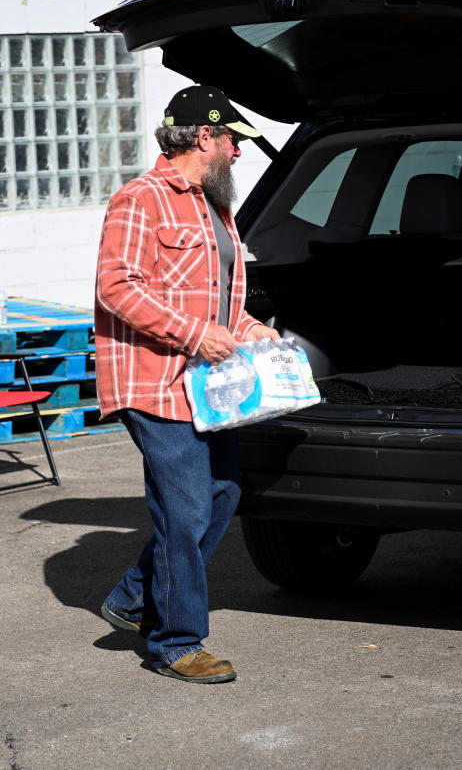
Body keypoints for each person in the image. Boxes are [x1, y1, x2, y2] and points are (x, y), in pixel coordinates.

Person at [95, 85, 280, 683]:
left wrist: (252, 331)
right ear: (205, 138)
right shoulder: (140, 200)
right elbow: (117, 288)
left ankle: (131, 598)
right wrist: (194, 336)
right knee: (186, 508)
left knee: (223, 494)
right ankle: (176, 642)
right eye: (234, 141)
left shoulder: (214, 206)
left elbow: (220, 300)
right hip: (155, 381)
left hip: (208, 383)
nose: (239, 154)